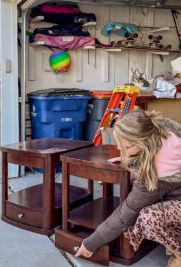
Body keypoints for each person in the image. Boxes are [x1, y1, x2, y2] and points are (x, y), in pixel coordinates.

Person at [75, 110, 181, 267]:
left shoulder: (155, 175)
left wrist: (92, 242)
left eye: (125, 146)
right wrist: (130, 156)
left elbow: (125, 213)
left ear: (142, 143)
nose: (118, 147)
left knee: (147, 217)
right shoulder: (162, 132)